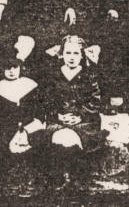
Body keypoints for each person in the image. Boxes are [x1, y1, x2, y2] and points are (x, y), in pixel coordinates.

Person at [0, 43, 47, 196]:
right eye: (7, 68)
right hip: (6, 126)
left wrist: (32, 125)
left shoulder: (30, 85)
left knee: (39, 143)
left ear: (20, 67)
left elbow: (40, 110)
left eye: (14, 67)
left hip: (29, 125)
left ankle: (37, 178)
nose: (11, 71)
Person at [43, 35, 105, 192]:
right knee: (58, 136)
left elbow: (95, 101)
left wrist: (80, 115)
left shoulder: (88, 75)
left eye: (76, 53)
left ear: (82, 55)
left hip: (84, 120)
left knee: (75, 137)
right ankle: (58, 178)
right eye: (68, 53)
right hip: (59, 119)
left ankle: (77, 179)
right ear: (62, 54)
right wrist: (58, 115)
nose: (71, 57)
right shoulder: (54, 75)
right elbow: (48, 100)